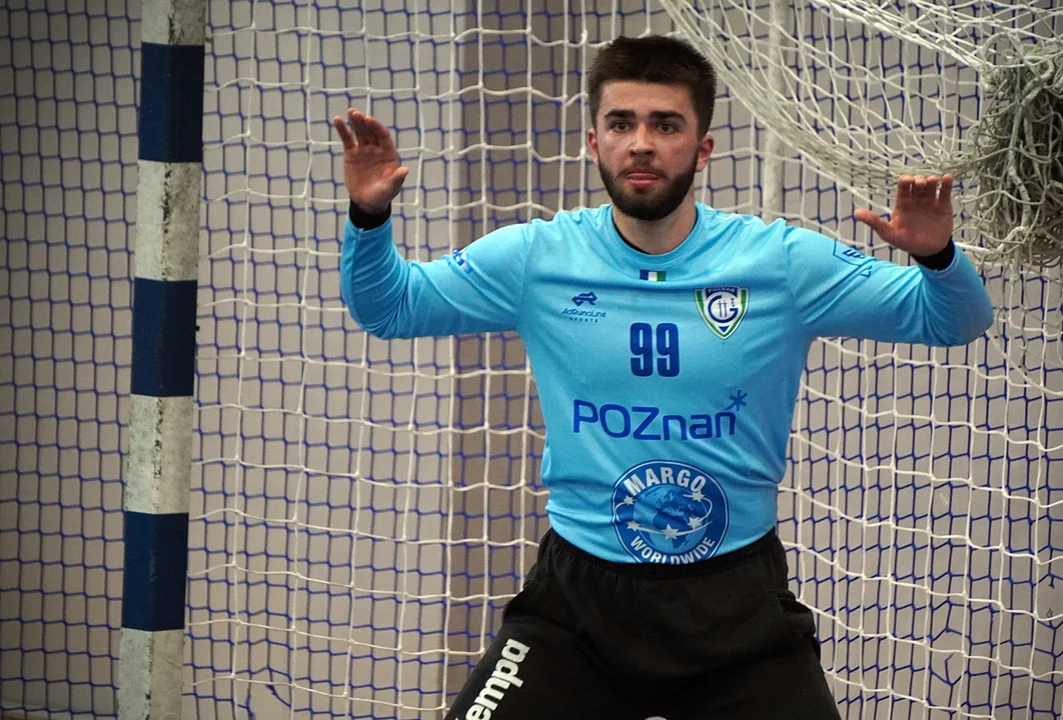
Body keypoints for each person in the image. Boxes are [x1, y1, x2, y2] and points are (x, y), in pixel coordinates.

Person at [333, 34, 993, 720]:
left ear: (702, 150)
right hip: (576, 611)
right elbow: (390, 307)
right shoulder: (537, 257)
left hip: (735, 612)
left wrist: (938, 256)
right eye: (622, 124)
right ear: (594, 143)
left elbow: (956, 320)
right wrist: (369, 217)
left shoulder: (779, 262)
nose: (641, 144)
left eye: (666, 125)